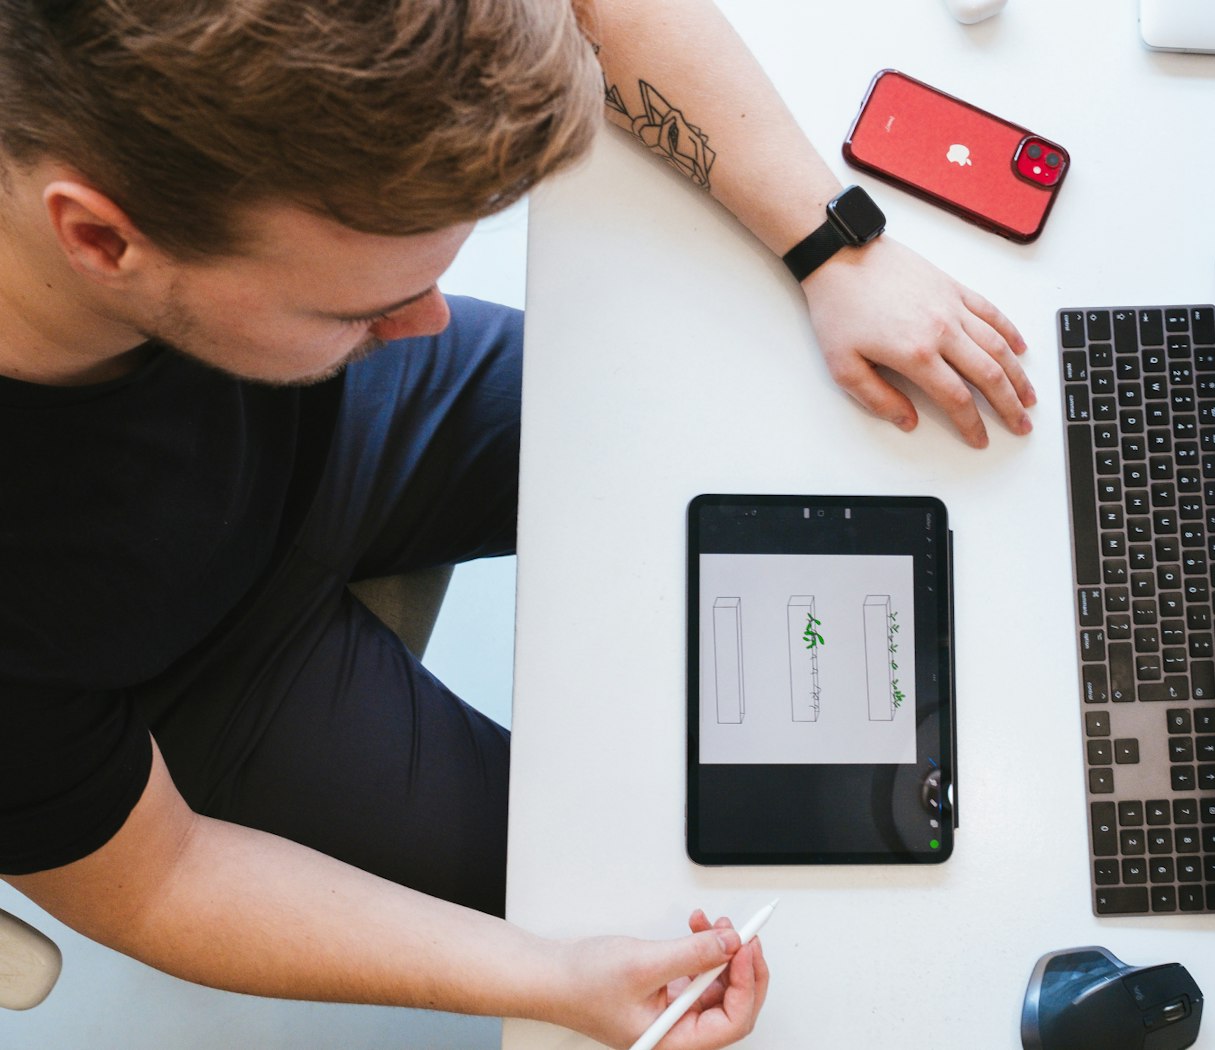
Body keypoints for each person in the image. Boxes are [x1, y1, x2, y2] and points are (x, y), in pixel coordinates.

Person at [0, 0, 1033, 1046]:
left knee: (760, 428)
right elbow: (155, 882)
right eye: (357, 307)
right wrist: (548, 976)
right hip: (195, 676)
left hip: (339, 420)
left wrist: (830, 247)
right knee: (634, 900)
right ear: (97, 238)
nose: (429, 321)